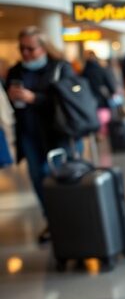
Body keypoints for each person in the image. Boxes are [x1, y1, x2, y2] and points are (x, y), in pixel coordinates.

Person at [6, 26, 79, 243]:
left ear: (43, 47)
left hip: (58, 133)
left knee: (60, 177)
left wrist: (34, 98)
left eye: (31, 48)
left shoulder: (60, 68)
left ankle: (71, 220)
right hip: (29, 133)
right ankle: (52, 221)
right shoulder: (16, 71)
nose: (26, 53)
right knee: (38, 179)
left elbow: (68, 100)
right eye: (22, 48)